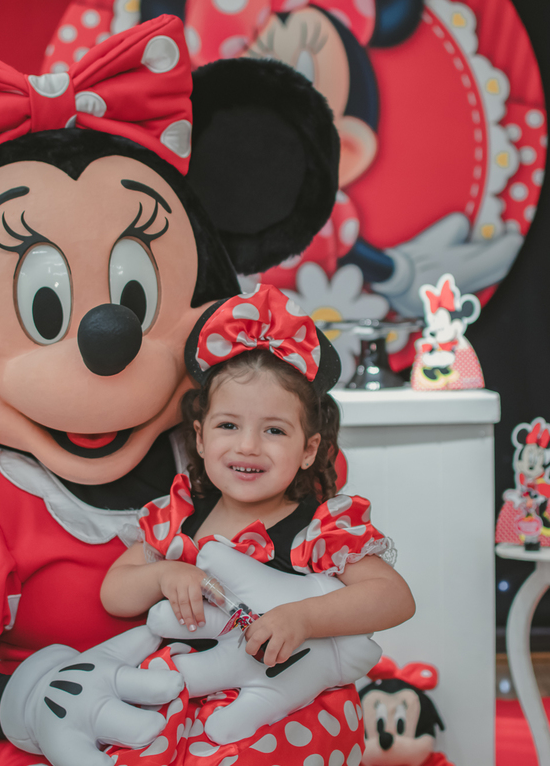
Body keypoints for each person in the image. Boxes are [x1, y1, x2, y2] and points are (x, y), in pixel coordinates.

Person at [99, 284, 415, 760]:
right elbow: (113, 592)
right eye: (229, 426)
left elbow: (395, 599)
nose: (248, 446)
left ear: (309, 449)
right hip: (181, 711)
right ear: (201, 440)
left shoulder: (318, 528)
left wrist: (304, 617)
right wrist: (162, 574)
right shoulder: (181, 519)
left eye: (273, 430)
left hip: (288, 719)